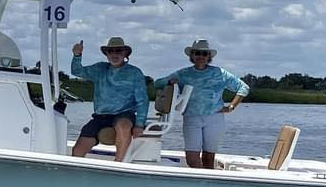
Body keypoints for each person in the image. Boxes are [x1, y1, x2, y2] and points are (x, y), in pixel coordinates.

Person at [155, 39, 249, 169]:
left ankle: (208, 180)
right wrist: (170, 82)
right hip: (191, 118)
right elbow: (157, 83)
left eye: (204, 54)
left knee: (208, 158)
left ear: (209, 56)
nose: (201, 56)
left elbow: (243, 88)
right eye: (197, 53)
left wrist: (231, 107)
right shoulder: (183, 74)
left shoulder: (220, 73)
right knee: (192, 159)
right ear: (192, 55)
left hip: (215, 118)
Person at [70, 37, 148, 161]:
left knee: (123, 126)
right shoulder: (100, 69)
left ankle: (118, 165)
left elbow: (142, 100)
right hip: (100, 117)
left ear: (125, 54)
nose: (114, 54)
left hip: (124, 114)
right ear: (106, 54)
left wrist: (139, 125)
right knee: (77, 151)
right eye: (110, 51)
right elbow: (76, 71)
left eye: (118, 51)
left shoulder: (135, 73)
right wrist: (77, 55)